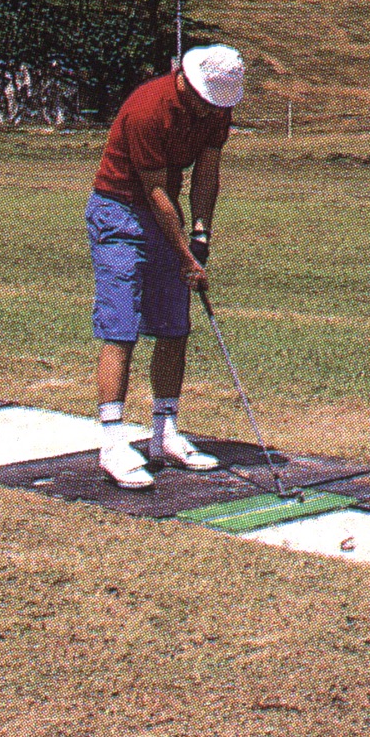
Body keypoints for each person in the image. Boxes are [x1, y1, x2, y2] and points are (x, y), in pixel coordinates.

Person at [87, 44, 246, 488]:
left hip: (166, 213)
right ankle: (113, 442)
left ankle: (165, 433)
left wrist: (201, 237)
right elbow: (156, 192)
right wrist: (184, 256)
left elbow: (207, 174)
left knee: (175, 326)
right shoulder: (147, 109)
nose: (210, 110)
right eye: (206, 100)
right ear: (188, 82)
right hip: (119, 211)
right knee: (121, 326)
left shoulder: (215, 109)